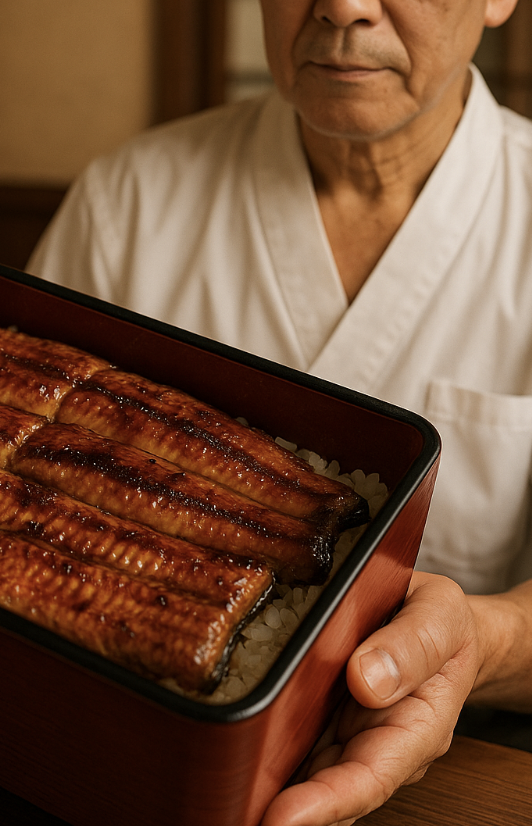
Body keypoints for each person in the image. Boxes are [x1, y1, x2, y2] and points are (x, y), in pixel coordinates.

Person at [27, 1, 532, 823]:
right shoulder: (131, 200)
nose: (343, 5)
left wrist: (485, 641)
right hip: (126, 751)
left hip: (466, 773)